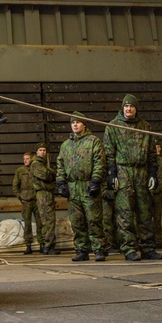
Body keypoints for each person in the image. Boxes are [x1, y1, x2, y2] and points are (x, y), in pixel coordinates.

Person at [105, 95, 162, 261]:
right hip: (123, 172)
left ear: (136, 108)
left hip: (142, 172)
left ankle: (148, 247)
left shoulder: (145, 127)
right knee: (125, 213)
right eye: (126, 106)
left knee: (145, 212)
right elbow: (109, 153)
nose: (128, 109)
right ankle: (129, 248)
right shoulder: (113, 127)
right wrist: (112, 174)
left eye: (131, 106)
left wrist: (153, 173)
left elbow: (152, 153)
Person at [56, 112, 106, 261]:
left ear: (84, 124)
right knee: (76, 221)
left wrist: (96, 181)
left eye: (78, 122)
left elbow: (99, 162)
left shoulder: (93, 142)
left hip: (87, 185)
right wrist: (60, 182)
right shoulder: (66, 145)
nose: (75, 125)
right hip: (73, 188)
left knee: (94, 220)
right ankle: (81, 250)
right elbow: (60, 165)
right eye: (73, 123)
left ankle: (99, 249)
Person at [30, 143, 60, 254]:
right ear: (36, 152)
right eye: (40, 150)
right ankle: (48, 245)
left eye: (44, 150)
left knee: (47, 219)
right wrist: (52, 173)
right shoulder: (37, 164)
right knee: (48, 219)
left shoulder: (42, 164)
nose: (42, 152)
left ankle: (47, 244)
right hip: (43, 193)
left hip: (46, 193)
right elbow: (46, 175)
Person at [12, 152, 41, 254]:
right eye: (24, 159)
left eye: (27, 158)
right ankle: (28, 245)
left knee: (40, 223)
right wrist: (20, 196)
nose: (25, 160)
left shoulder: (37, 168)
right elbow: (15, 185)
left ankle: (42, 244)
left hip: (37, 199)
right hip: (26, 200)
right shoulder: (20, 171)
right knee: (27, 223)